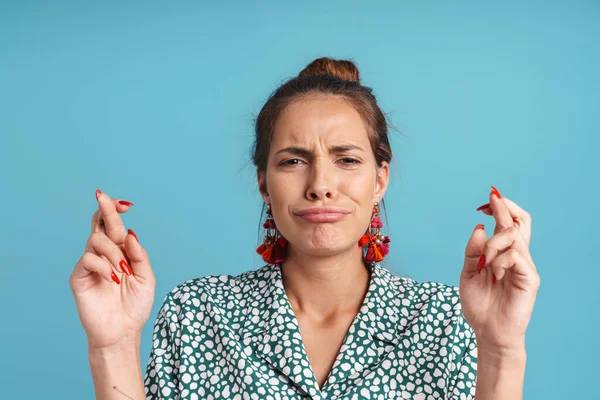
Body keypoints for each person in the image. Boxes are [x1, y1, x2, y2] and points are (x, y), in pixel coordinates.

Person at [70, 57, 540, 400]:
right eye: (294, 161)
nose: (320, 186)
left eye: (347, 160)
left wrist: (502, 348)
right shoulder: (197, 315)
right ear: (263, 183)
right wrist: (111, 345)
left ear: (380, 179)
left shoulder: (446, 319)